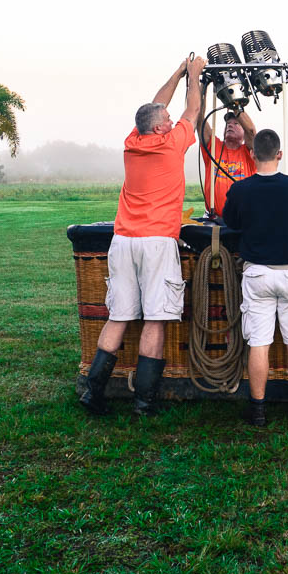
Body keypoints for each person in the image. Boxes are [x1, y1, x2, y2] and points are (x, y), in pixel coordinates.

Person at [80, 55, 205, 417]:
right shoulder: (171, 143)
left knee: (118, 316)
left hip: (123, 241)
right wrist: (193, 79)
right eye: (166, 120)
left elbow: (156, 106)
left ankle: (93, 394)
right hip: (156, 242)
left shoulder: (133, 142)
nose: (170, 119)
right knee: (155, 319)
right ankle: (144, 403)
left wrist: (177, 72)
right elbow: (192, 109)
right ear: (161, 130)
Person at [222, 129, 288, 426]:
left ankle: (257, 409)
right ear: (279, 154)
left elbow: (230, 222)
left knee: (259, 343)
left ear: (252, 154)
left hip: (257, 274)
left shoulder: (240, 189)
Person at [199, 109, 256, 215]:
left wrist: (235, 107)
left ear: (244, 133)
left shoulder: (250, 153)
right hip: (213, 218)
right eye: (228, 123)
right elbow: (200, 119)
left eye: (236, 124)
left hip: (242, 219)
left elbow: (251, 132)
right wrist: (201, 94)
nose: (230, 125)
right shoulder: (213, 146)